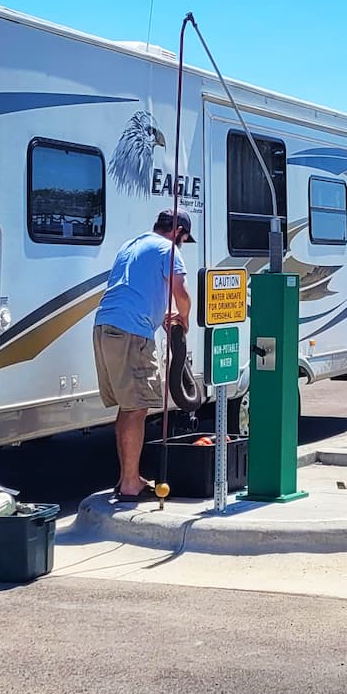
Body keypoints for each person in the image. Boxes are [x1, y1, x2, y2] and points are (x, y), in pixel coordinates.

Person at [92, 209, 193, 502]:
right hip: (131, 332)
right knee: (137, 409)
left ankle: (128, 479)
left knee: (128, 407)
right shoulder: (168, 248)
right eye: (184, 238)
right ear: (178, 233)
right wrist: (182, 317)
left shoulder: (132, 245)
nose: (182, 243)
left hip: (104, 327)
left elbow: (137, 288)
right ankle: (130, 485)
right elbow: (181, 292)